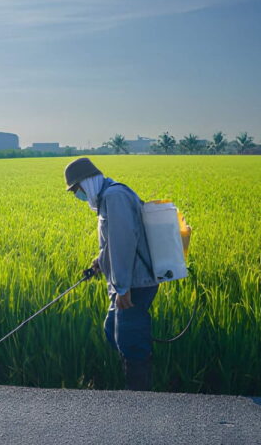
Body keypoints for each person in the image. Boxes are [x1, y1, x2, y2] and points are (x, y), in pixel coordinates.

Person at [64, 157, 158, 391]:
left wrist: (122, 288)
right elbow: (112, 243)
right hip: (128, 279)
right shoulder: (107, 198)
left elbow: (123, 243)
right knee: (113, 329)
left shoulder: (114, 197)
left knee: (129, 337)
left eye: (77, 189)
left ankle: (137, 394)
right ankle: (134, 385)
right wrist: (99, 262)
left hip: (135, 281)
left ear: (87, 182)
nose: (78, 195)